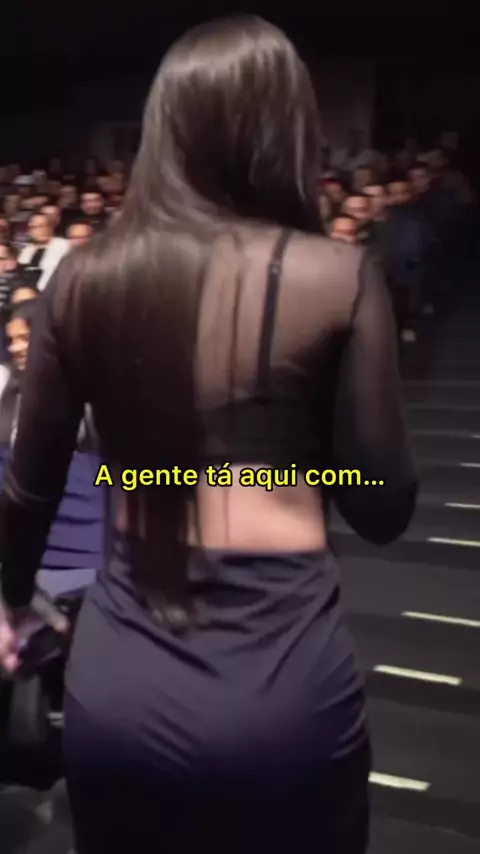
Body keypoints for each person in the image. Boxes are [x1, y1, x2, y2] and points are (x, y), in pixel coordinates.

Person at [0, 16, 417, 854]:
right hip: (284, 687)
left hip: (120, 685)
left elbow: (28, 486)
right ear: (286, 130)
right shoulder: (337, 275)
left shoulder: (85, 277)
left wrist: (10, 605)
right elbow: (381, 506)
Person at [17, 211, 70, 291]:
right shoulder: (26, 250)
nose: (41, 230)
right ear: (30, 231)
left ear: (51, 227)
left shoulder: (64, 245)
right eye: (35, 227)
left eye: (44, 226)